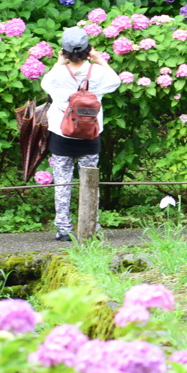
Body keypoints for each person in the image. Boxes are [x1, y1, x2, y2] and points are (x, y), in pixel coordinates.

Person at [41, 27, 120, 240]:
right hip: (91, 134)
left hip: (61, 135)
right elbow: (116, 82)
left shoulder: (57, 74)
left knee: (62, 182)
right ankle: (91, 226)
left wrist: (59, 63)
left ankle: (63, 230)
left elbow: (44, 84)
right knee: (90, 180)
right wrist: (100, 60)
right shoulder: (99, 72)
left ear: (64, 51)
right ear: (88, 50)